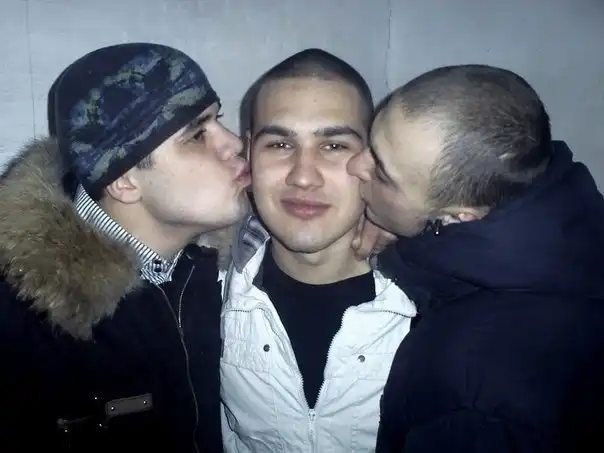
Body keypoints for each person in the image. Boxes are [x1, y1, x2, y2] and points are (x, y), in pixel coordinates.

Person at [0, 42, 250, 453]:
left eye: (217, 119)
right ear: (124, 181)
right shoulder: (20, 318)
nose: (234, 143)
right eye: (196, 134)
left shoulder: (231, 267)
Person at [348, 64, 604, 452]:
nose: (355, 165)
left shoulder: (471, 384)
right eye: (371, 141)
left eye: (381, 174)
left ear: (459, 218)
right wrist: (406, 234)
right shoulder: (574, 228)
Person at [219, 48, 416, 453]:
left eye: (334, 146)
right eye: (280, 144)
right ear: (249, 154)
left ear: (372, 160)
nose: (304, 177)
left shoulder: (433, 297)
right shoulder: (205, 290)